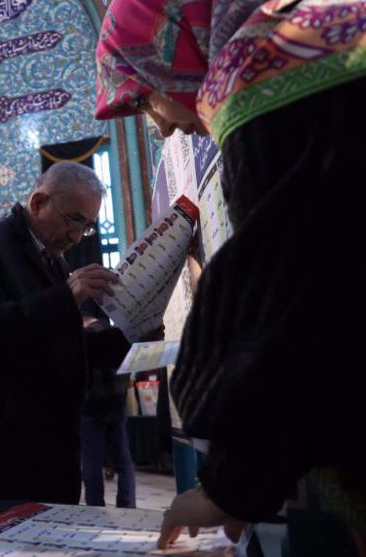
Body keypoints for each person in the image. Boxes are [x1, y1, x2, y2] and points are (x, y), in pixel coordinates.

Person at [96, 0, 366, 549]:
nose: (162, 125)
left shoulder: (259, 63)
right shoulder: (337, 25)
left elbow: (293, 299)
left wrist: (233, 485)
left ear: (175, 40)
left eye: (146, 96)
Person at [0, 161, 131, 504]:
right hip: (1, 451)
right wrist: (66, 296)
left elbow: (64, 345)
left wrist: (130, 335)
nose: (76, 237)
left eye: (87, 227)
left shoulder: (54, 261)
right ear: (38, 203)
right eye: (74, 220)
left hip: (52, 447)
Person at [79, 307, 136, 509]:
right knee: (123, 461)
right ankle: (127, 506)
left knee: (91, 464)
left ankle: (95, 509)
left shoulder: (83, 338)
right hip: (116, 405)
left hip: (89, 408)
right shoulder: (112, 335)